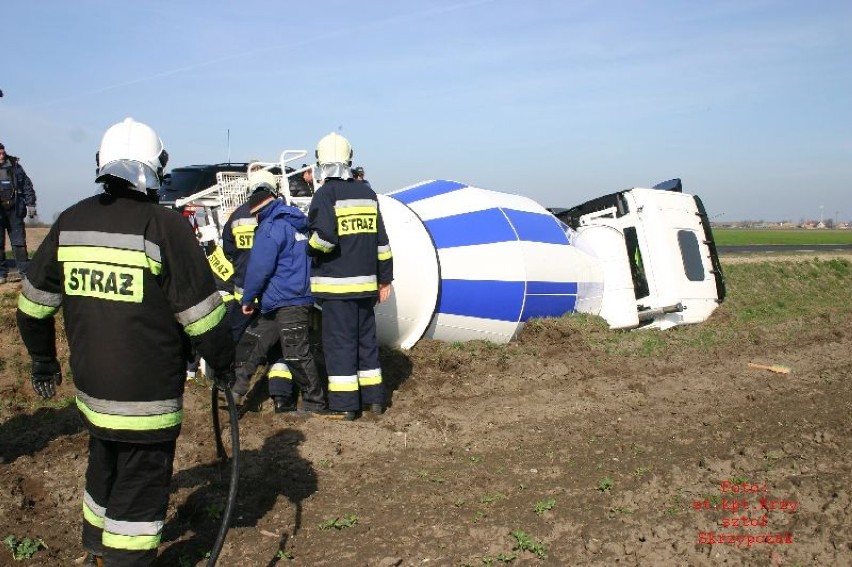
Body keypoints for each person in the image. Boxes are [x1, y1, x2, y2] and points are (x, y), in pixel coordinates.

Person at [16, 117, 235, 567]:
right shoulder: (163, 225)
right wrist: (226, 364)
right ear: (157, 168)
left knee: (104, 461)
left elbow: (32, 308)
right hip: (146, 399)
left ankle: (96, 548)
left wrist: (43, 361)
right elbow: (205, 318)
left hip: (93, 393)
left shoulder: (70, 222)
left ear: (102, 163)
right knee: (139, 489)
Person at [307, 132, 393, 421]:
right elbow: (382, 242)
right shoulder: (368, 194)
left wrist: (309, 247)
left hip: (337, 289)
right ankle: (374, 400)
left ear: (321, 162)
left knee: (340, 345)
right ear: (349, 160)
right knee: (366, 342)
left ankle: (344, 405)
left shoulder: (325, 195)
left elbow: (325, 239)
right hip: (367, 286)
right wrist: (385, 279)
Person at [231, 188, 326, 414]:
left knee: (295, 352)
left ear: (257, 212)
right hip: (286, 298)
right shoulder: (296, 222)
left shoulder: (270, 227)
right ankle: (235, 391)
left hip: (286, 299)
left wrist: (248, 297)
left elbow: (259, 268)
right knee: (253, 342)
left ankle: (315, 404)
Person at [0, 142, 37, 283]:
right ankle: (1, 274)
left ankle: (25, 273)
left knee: (19, 243)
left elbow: (27, 185)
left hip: (15, 211)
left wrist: (31, 204)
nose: (1, 154)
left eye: (2, 151)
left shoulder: (15, 167)